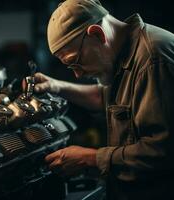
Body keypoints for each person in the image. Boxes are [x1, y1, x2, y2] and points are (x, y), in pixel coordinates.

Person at [37, 0, 174, 199]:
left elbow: (164, 153)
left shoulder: (153, 60)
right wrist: (55, 86)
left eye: (75, 62)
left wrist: (91, 158)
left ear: (97, 34)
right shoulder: (127, 55)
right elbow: (105, 98)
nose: (77, 74)